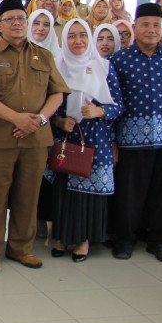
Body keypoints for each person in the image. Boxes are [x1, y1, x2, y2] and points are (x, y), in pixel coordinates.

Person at [0, 0, 69, 273]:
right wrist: (16, 118)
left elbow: (57, 94)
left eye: (21, 19)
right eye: (10, 19)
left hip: (35, 138)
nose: (17, 24)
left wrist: (38, 119)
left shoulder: (44, 55)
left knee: (29, 195)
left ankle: (21, 248)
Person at [109, 3, 162, 264]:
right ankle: (124, 239)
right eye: (145, 24)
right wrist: (112, 140)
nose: (151, 30)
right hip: (130, 139)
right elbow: (113, 101)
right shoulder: (120, 59)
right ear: (135, 27)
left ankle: (158, 241)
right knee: (129, 192)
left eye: (156, 25)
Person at [48, 19, 123, 262]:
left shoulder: (104, 67)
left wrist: (100, 111)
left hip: (95, 138)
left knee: (89, 192)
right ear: (64, 40)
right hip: (66, 137)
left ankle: (83, 240)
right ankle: (61, 236)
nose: (78, 41)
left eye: (83, 35)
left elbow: (119, 106)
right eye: (72, 36)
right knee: (64, 190)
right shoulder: (57, 66)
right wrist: (59, 121)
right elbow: (49, 102)